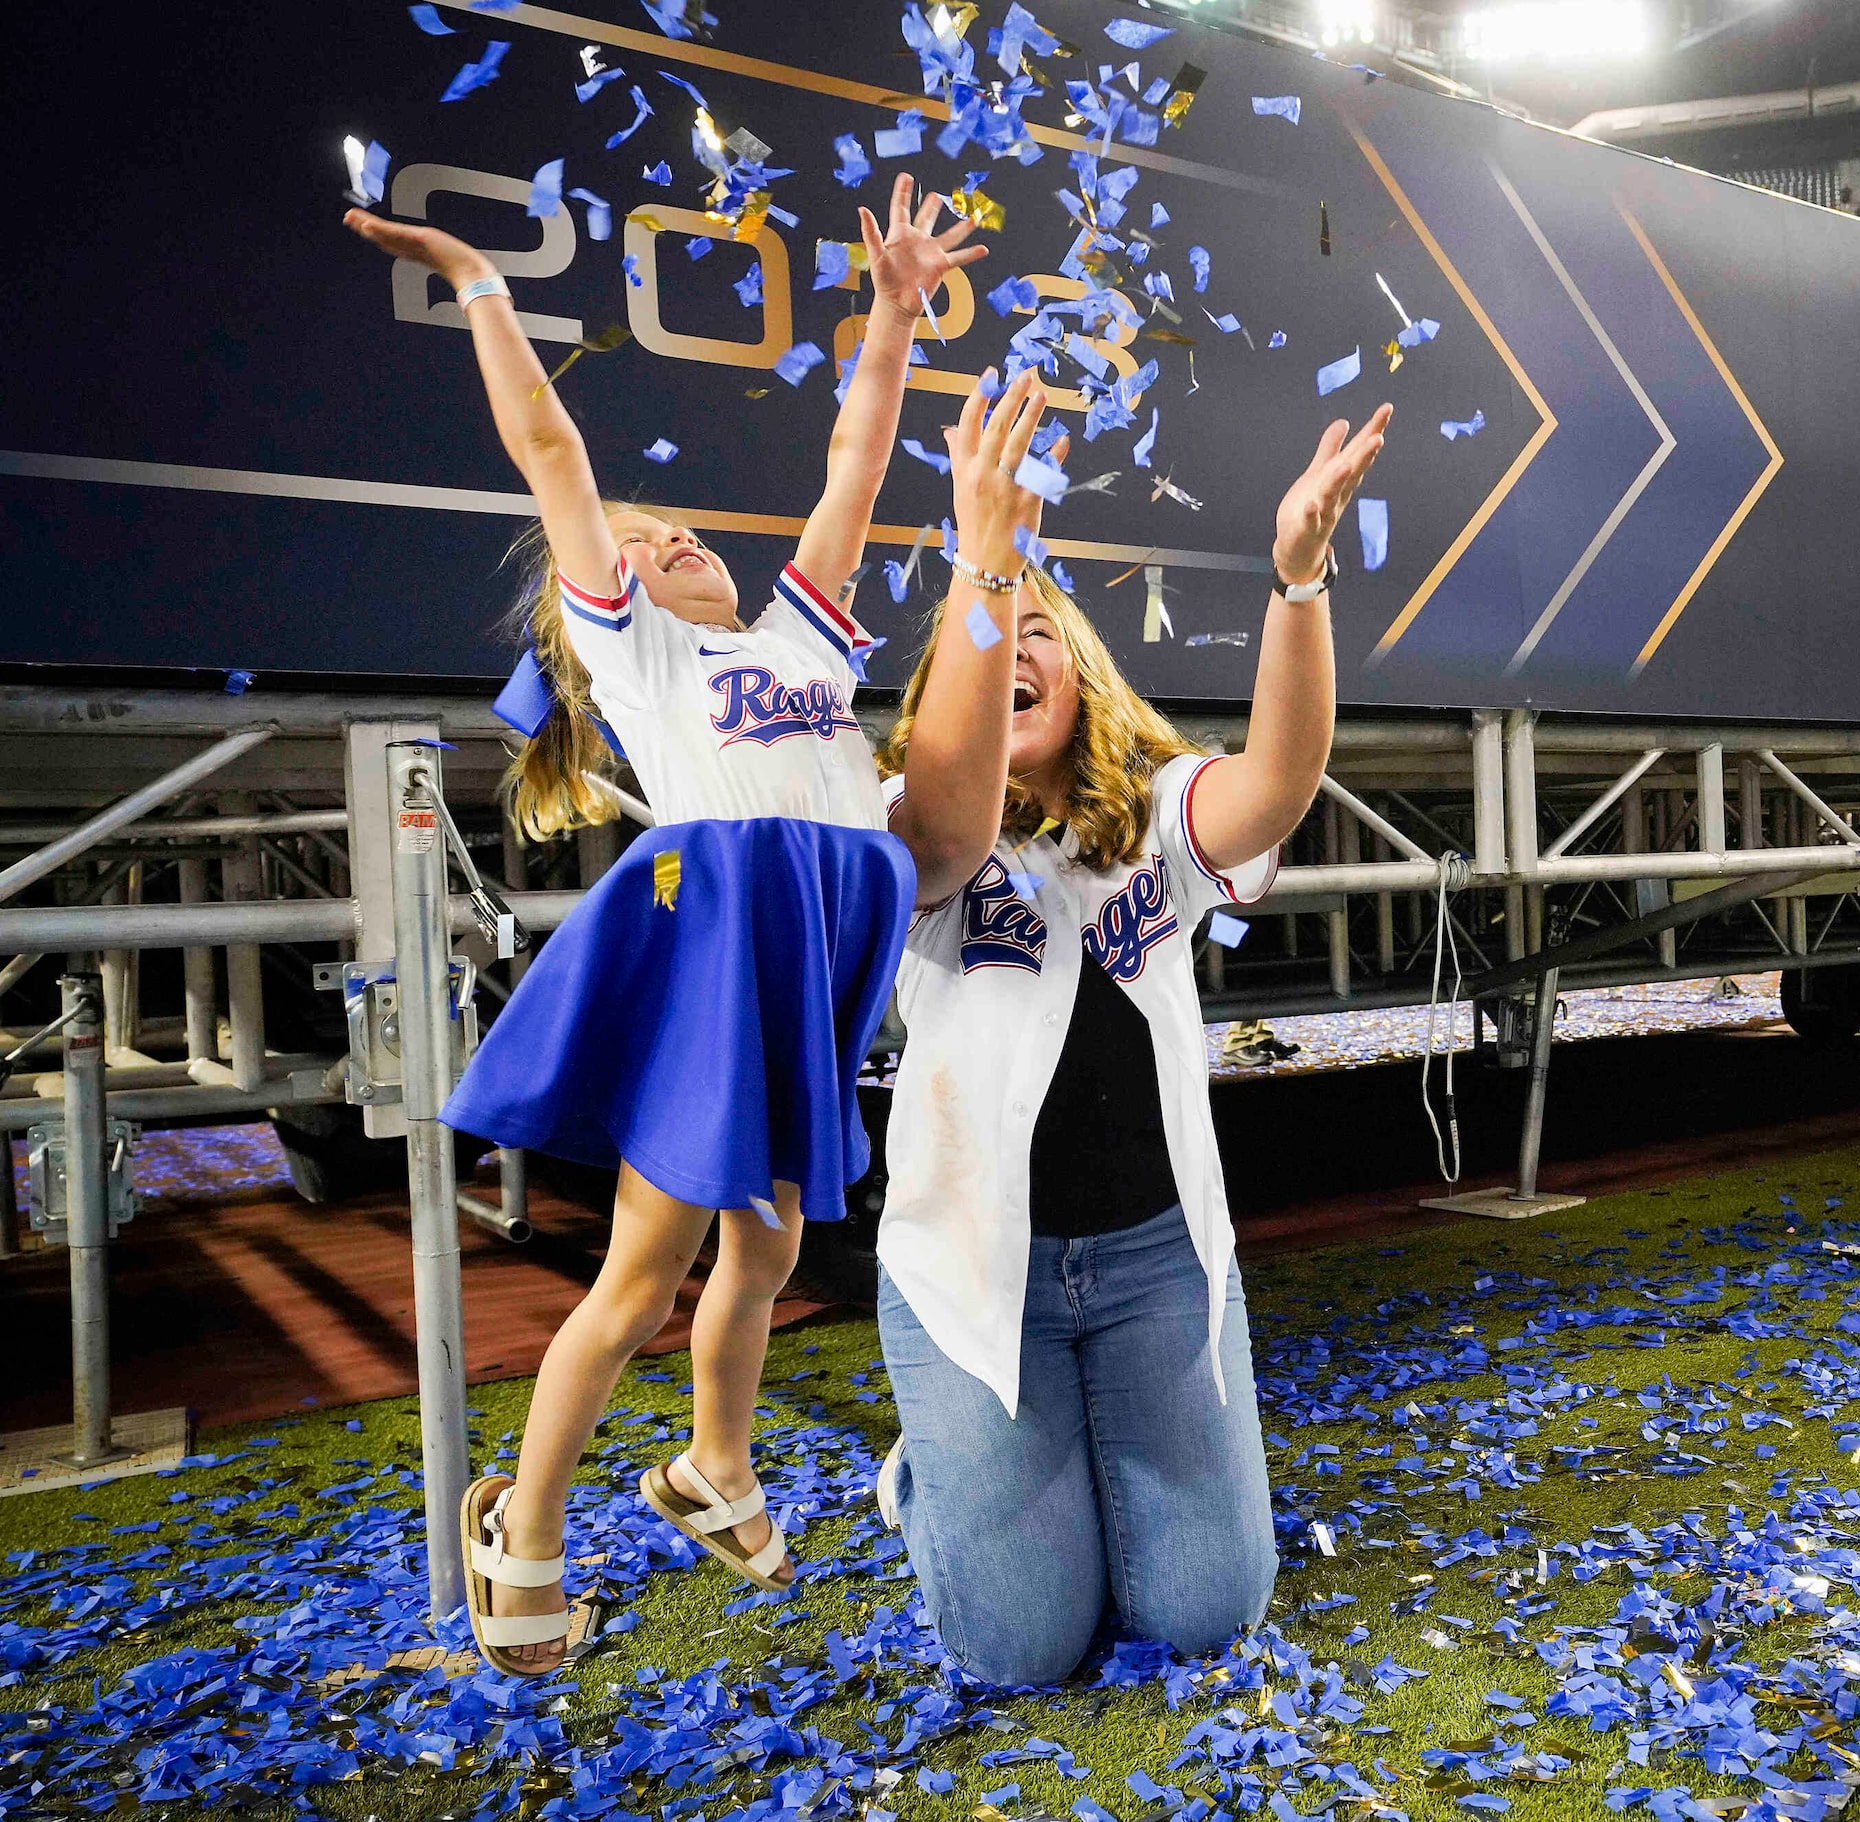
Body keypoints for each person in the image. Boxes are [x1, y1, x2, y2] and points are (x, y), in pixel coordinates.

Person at [342, 178, 989, 1675]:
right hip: (721, 958)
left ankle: (714, 1464)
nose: (680, 535)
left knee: (766, 1246)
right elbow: (549, 446)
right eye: (647, 538)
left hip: (812, 953)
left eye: (688, 524)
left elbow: (858, 457)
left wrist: (892, 310)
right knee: (643, 1274)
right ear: (602, 597)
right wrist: (476, 284)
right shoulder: (640, 659)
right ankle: (523, 1525)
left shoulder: (796, 638)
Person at [870, 379, 1393, 1685]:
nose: (1019, 645)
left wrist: (1299, 581)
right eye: (992, 634)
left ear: (1086, 673)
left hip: (1159, 1266)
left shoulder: (1158, 811)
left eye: (1044, 629)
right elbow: (938, 835)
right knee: (1018, 1646)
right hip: (974, 1280)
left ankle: (1067, 1470)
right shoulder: (908, 829)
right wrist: (983, 567)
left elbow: (1276, 784)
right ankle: (932, 1472)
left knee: (1207, 1605)